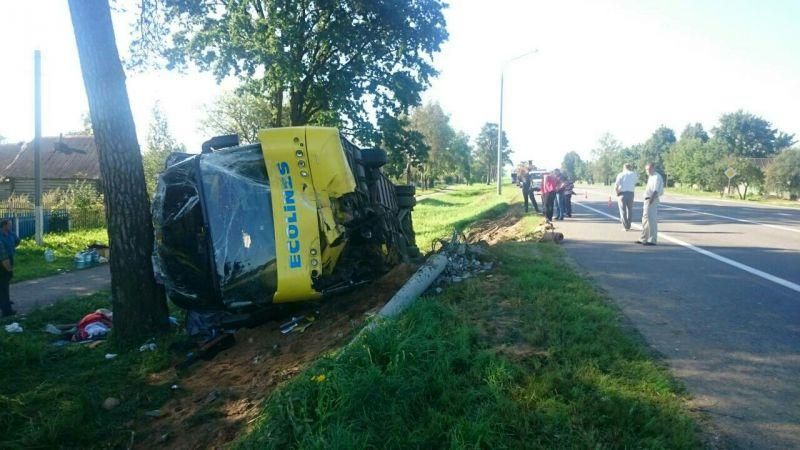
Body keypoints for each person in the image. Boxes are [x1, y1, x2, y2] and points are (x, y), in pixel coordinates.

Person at [637, 163, 664, 246]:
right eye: (646, 169)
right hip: (647, 199)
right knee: (645, 220)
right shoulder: (651, 177)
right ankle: (643, 238)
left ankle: (652, 240)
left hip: (651, 199)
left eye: (649, 169)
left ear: (653, 168)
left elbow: (655, 191)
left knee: (651, 220)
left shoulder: (656, 177)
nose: (647, 171)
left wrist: (651, 200)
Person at [0, 219, 18, 317]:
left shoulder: (10, 233)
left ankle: (4, 302)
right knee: (3, 287)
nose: (11, 226)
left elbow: (17, 241)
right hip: (3, 262)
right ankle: (7, 312)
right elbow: (3, 256)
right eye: (9, 224)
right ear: (4, 225)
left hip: (8, 258)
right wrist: (9, 268)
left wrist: (11, 248)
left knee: (4, 284)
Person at [614, 163, 638, 231]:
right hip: (631, 193)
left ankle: (625, 226)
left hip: (622, 193)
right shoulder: (633, 174)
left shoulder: (621, 174)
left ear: (624, 167)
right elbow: (635, 182)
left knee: (623, 211)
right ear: (630, 167)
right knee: (630, 210)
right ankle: (629, 225)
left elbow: (616, 186)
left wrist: (617, 193)